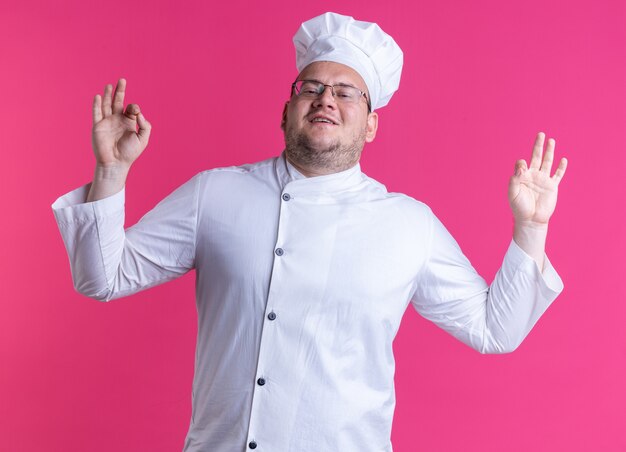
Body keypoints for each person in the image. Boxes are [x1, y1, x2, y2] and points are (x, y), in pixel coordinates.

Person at [52, 12, 567, 452]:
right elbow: (103, 278)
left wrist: (531, 228)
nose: (325, 100)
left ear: (369, 125)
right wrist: (111, 172)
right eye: (311, 88)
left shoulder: (408, 223)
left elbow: (494, 330)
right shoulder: (216, 194)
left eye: (346, 93)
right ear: (287, 109)